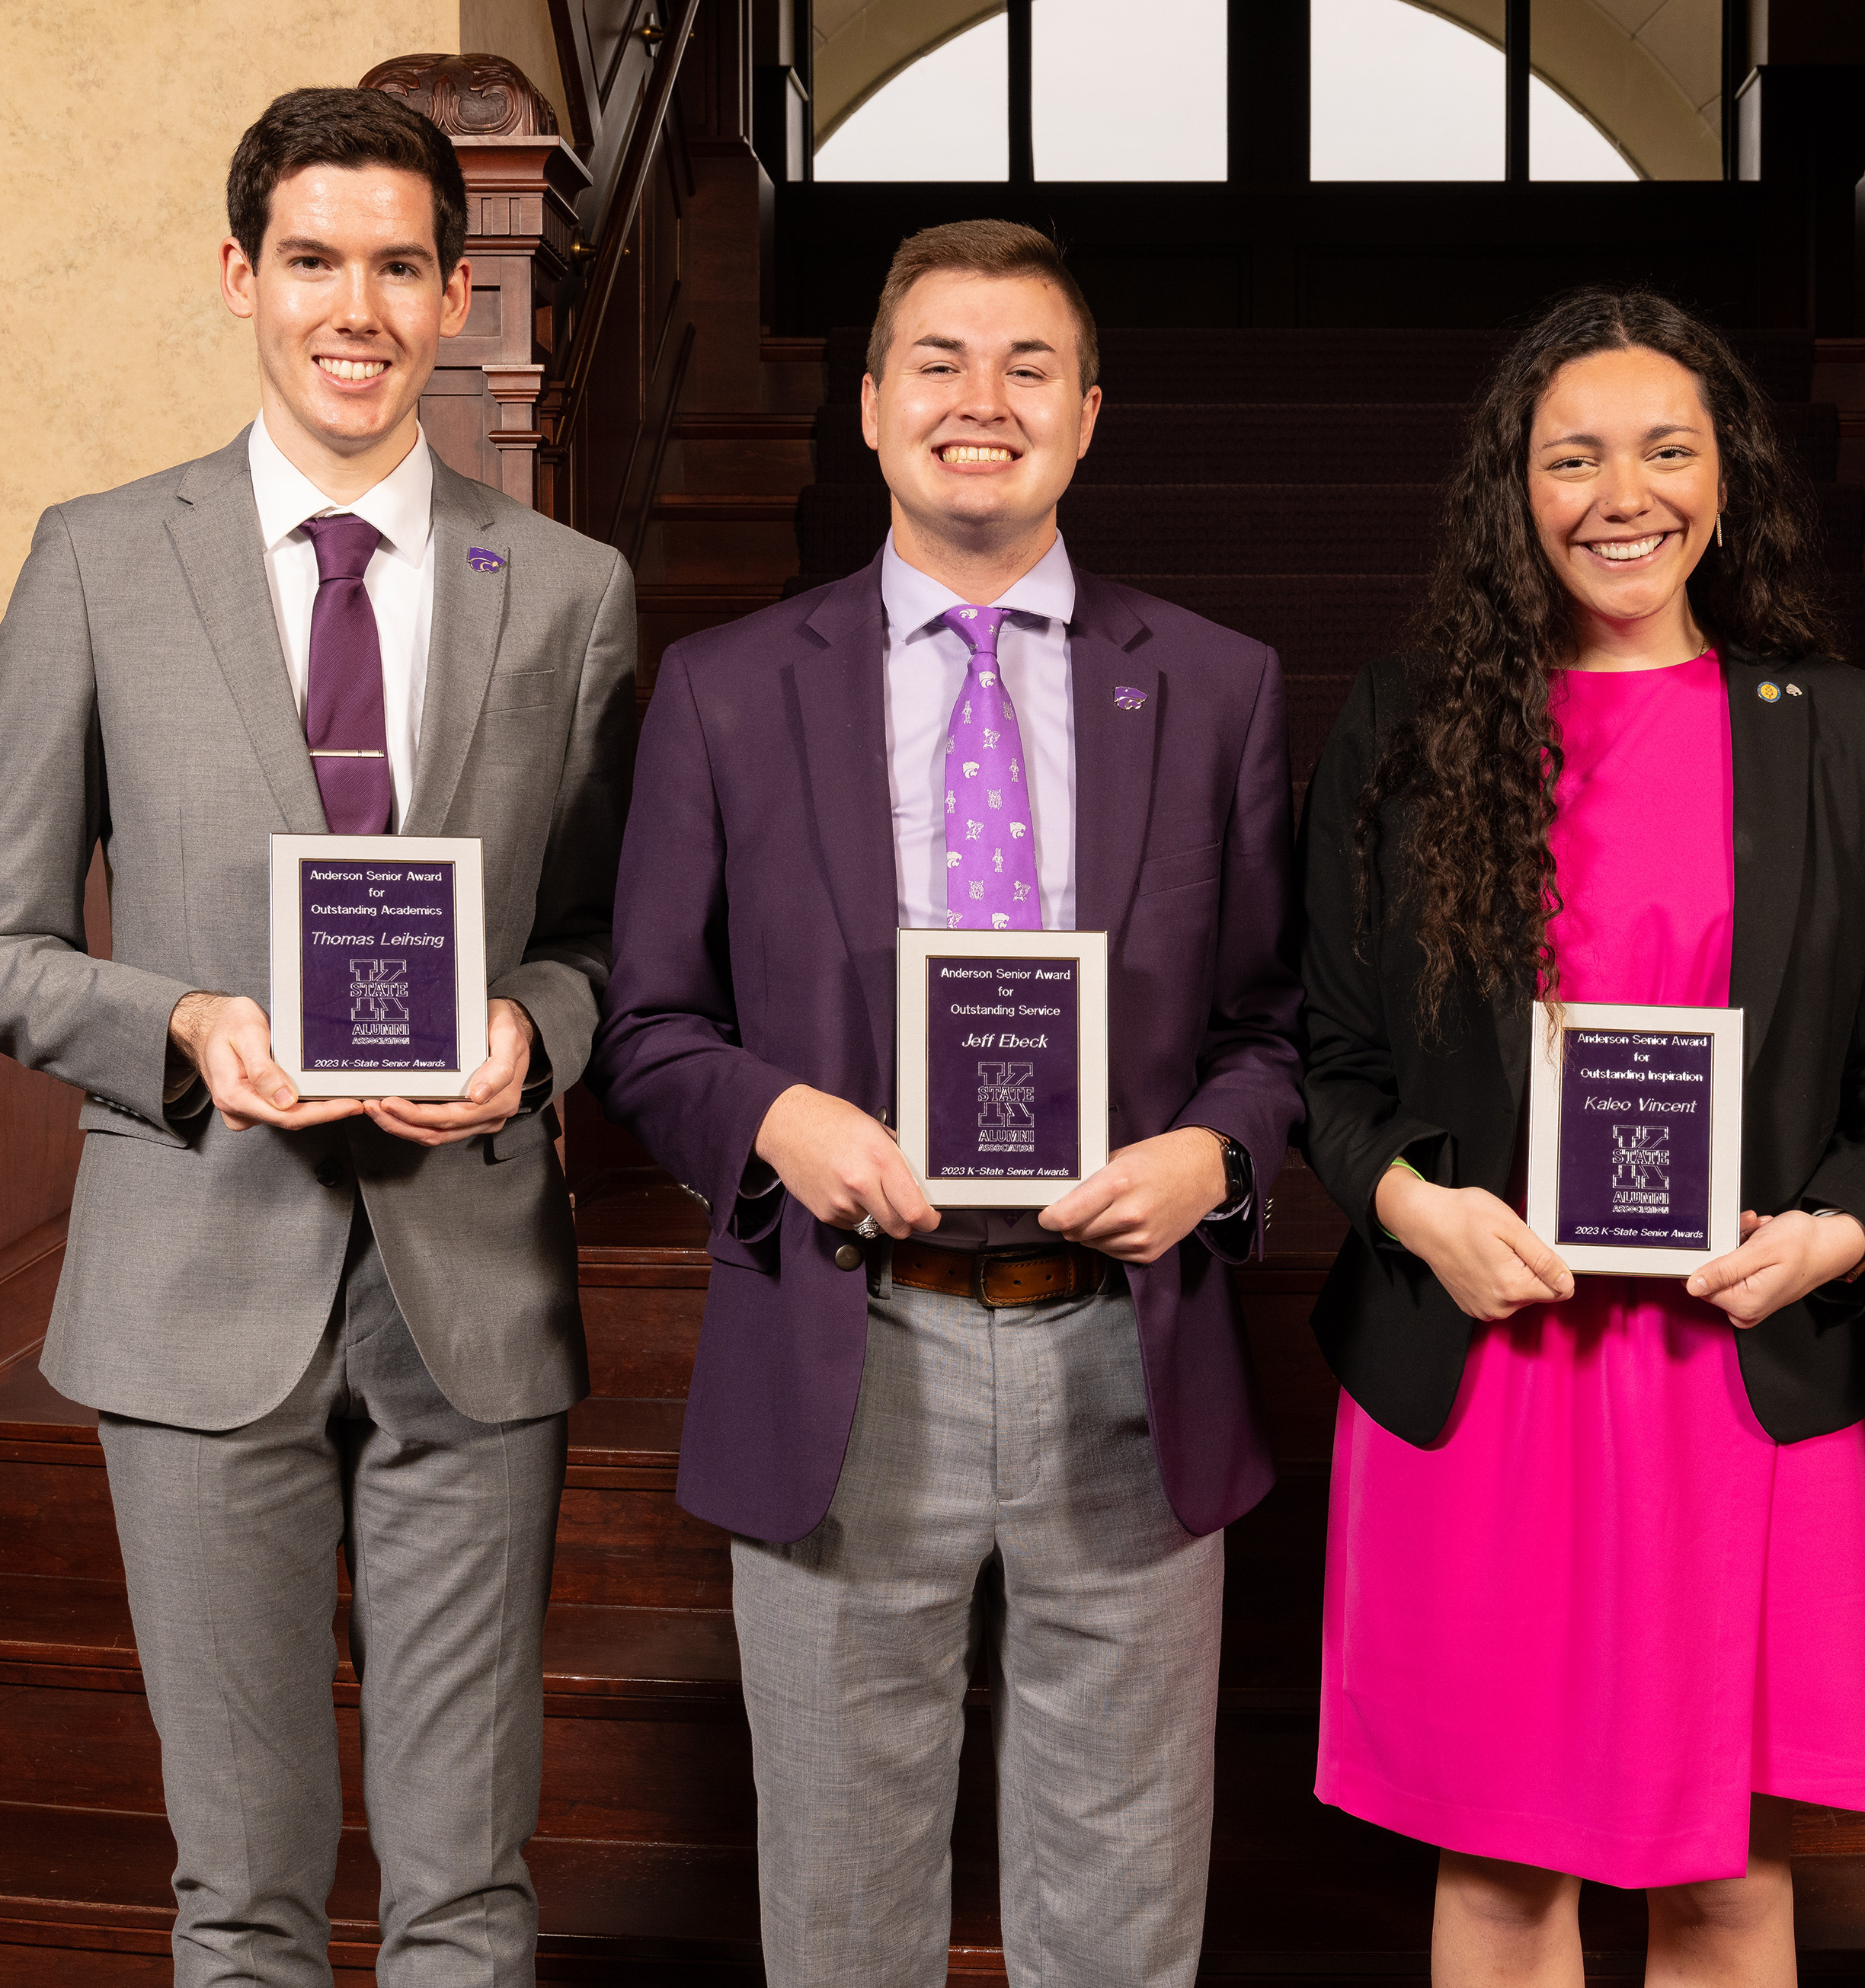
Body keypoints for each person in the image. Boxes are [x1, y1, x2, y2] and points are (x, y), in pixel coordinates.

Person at [0, 88, 635, 1986]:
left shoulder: (565, 591)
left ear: (453, 288)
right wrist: (185, 1023)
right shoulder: (96, 560)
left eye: (402, 264)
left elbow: (602, 946)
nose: (359, 306)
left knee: (469, 1900)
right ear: (243, 276)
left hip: (469, 1291)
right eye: (314, 259)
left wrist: (528, 1036)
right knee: (237, 1899)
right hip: (191, 1281)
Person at [588, 219, 1303, 1986]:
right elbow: (649, 1024)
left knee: (1122, 1923)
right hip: (847, 1349)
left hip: (1121, 1353)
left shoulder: (1215, 688)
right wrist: (772, 1122)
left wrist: (1213, 1151)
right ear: (867, 406)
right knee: (841, 1920)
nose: (981, 403)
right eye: (940, 362)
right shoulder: (729, 690)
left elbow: (1277, 1023)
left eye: (1028, 367)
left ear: (1086, 418)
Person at [1297, 286, 1865, 1982]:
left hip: (1740, 1372)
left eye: (1667, 450)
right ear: (1513, 493)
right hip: (1490, 1356)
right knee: (1501, 1879)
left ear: (1723, 475)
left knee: (1726, 1878)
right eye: (1573, 456)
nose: (1624, 494)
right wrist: (1414, 1211)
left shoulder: (1850, 738)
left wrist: (1833, 1233)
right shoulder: (1404, 728)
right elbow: (1331, 1056)